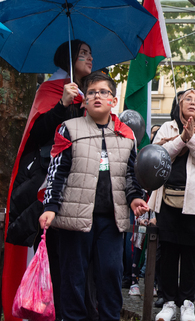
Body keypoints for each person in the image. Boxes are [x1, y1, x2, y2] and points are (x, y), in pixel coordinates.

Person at [38, 71, 150, 321]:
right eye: (91, 92)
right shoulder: (68, 129)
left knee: (110, 276)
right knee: (73, 279)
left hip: (112, 221)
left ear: (113, 99)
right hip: (74, 219)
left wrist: (134, 197)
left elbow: (132, 174)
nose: (97, 96)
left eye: (103, 92)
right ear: (84, 100)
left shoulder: (126, 134)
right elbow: (57, 172)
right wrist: (50, 206)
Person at [3, 39, 93, 320]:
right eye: (82, 53)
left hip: (79, 187)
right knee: (45, 251)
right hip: (45, 188)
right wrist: (62, 105)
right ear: (67, 58)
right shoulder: (51, 90)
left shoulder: (91, 95)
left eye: (91, 53)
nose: (90, 58)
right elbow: (35, 135)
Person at [149, 89, 195, 321]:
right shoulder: (167, 128)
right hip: (169, 200)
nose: (192, 102)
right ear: (179, 104)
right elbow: (158, 155)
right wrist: (181, 138)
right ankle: (169, 301)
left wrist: (192, 138)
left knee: (192, 256)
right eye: (187, 99)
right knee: (169, 254)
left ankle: (188, 303)